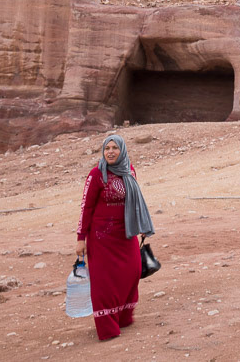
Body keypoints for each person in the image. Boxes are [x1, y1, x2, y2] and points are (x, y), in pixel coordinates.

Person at [76, 135, 155, 340]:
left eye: (114, 148)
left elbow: (136, 201)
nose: (110, 152)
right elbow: (86, 207)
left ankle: (123, 317)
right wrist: (80, 238)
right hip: (101, 239)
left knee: (133, 271)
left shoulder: (129, 171)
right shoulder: (96, 175)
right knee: (105, 283)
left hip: (126, 233)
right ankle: (107, 327)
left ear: (122, 150)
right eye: (107, 148)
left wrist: (142, 225)